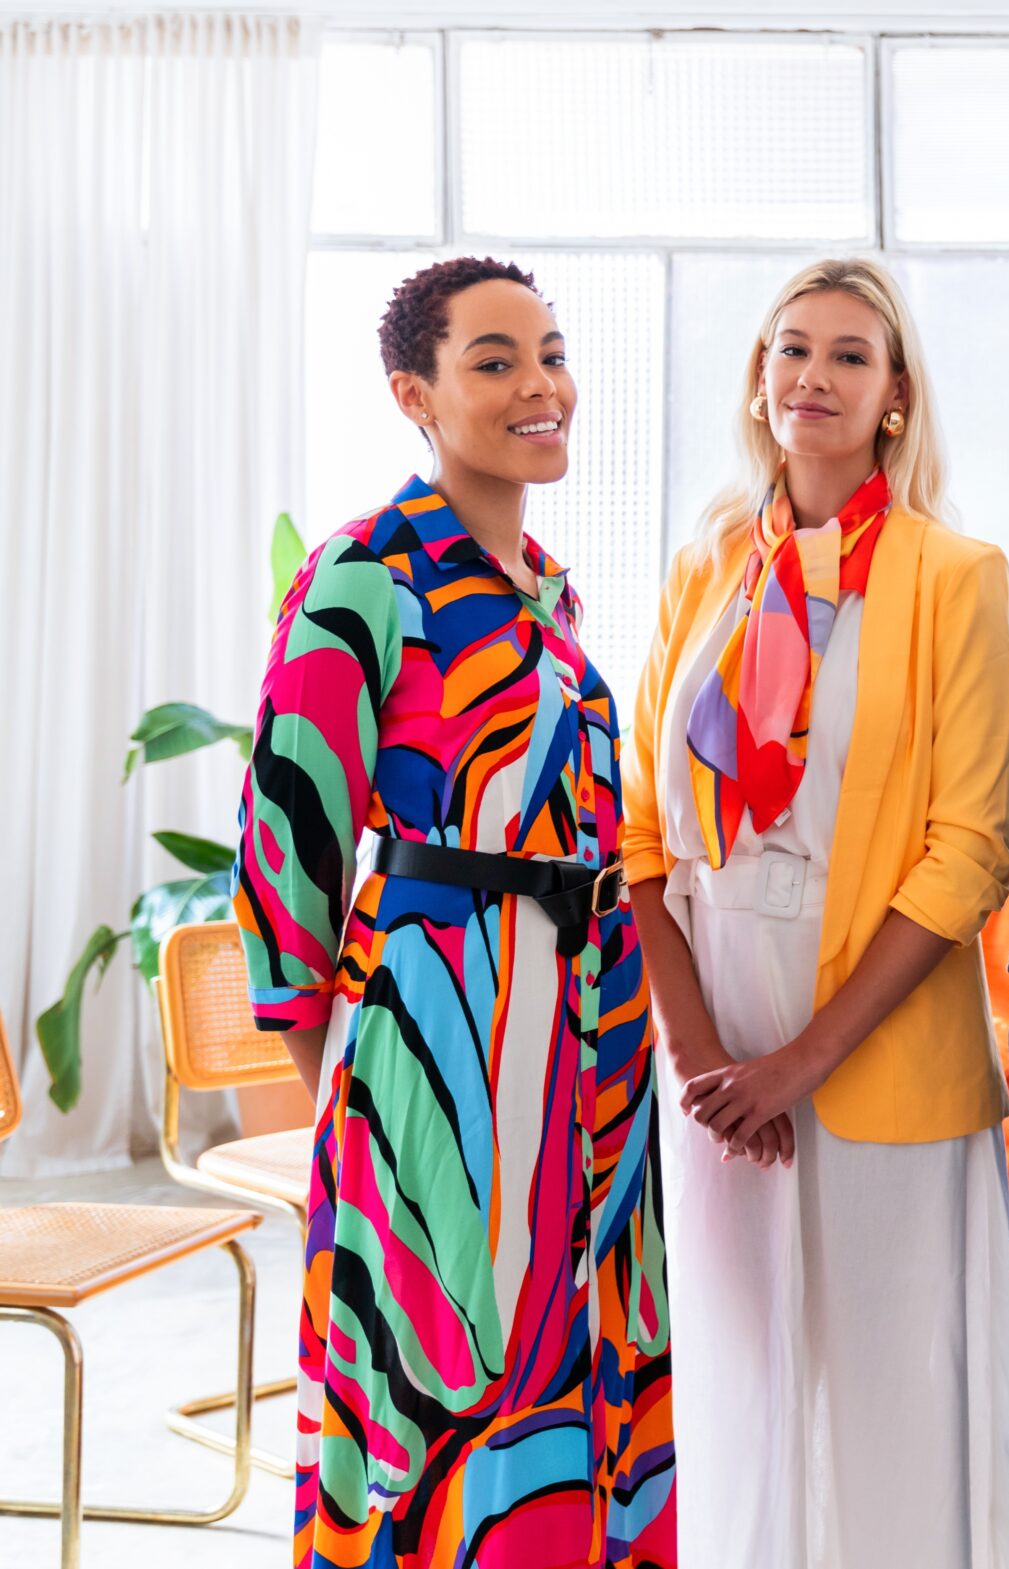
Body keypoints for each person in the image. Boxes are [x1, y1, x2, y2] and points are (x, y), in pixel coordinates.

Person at [234, 256, 676, 1568]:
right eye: (495, 361)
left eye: (551, 354)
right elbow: (287, 846)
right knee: (433, 1368)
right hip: (438, 1030)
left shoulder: (549, 591)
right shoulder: (364, 573)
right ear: (413, 394)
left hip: (592, 1023)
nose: (542, 385)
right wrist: (356, 1090)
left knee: (587, 1356)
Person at [619, 258, 1009, 1567]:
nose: (813, 375)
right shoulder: (705, 568)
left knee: (888, 1388)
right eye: (790, 348)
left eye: (850, 354)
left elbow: (968, 853)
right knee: (741, 1379)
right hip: (710, 1011)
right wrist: (698, 1051)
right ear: (759, 377)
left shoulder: (956, 574)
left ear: (895, 394)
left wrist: (802, 1060)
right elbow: (638, 833)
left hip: (871, 1018)